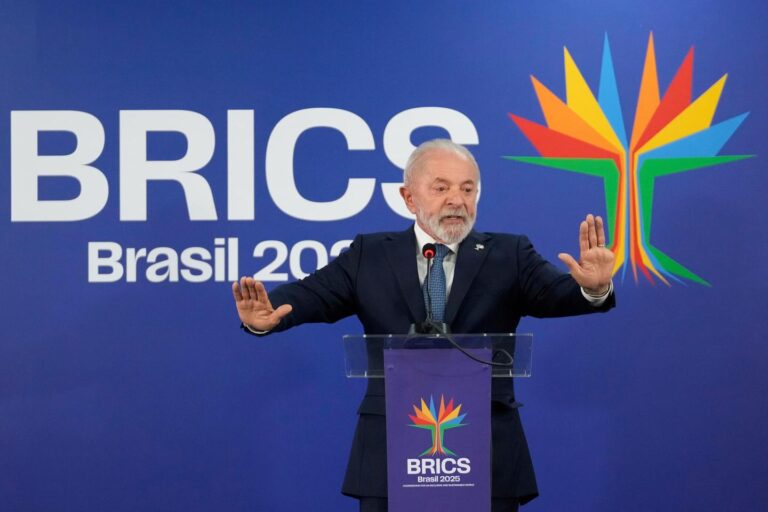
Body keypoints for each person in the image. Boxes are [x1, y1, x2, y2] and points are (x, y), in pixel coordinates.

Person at [232, 139, 615, 512]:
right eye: (441, 187)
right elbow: (311, 294)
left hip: (487, 448)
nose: (457, 200)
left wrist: (594, 289)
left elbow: (556, 294)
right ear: (409, 198)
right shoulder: (370, 254)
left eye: (468, 189)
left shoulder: (509, 254)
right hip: (391, 447)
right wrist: (268, 314)